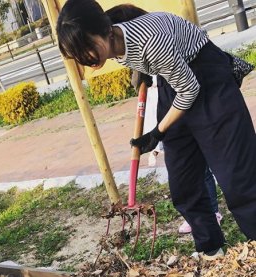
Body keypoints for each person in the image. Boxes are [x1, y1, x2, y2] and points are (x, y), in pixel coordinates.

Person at [57, 0, 256, 258]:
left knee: (237, 175)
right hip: (173, 82)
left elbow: (190, 89)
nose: (86, 59)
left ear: (104, 29)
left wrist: (157, 132)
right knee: (183, 182)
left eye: (87, 48)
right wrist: (143, 71)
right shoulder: (117, 28)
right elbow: (158, 65)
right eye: (78, 55)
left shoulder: (151, 42)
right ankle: (210, 248)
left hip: (206, 78)